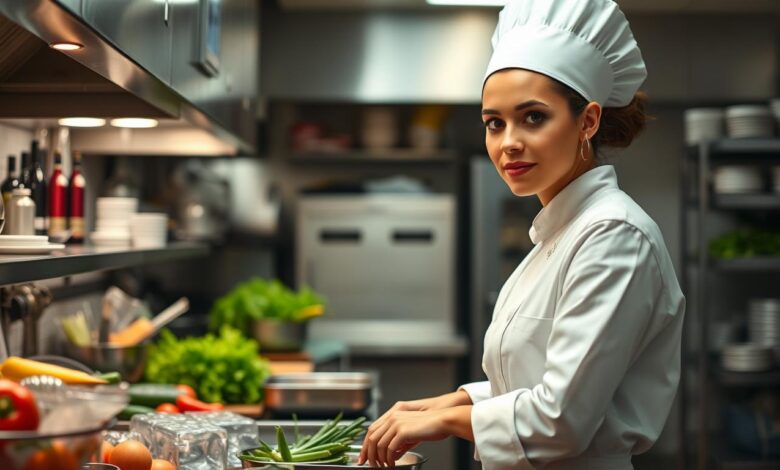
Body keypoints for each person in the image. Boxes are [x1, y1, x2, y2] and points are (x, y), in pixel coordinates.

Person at [358, 0, 685, 469]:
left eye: (533, 117)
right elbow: (536, 384)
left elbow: (562, 420)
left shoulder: (613, 236)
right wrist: (447, 403)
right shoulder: (557, 235)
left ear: (587, 121)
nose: (508, 141)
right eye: (495, 123)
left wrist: (446, 423)